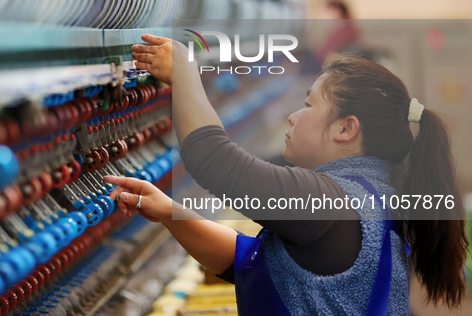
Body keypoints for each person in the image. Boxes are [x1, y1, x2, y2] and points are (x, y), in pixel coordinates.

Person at [104, 35, 468, 315]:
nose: (294, 116)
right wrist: (170, 213)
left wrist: (184, 72)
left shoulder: (327, 201)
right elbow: (248, 261)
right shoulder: (371, 198)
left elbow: (211, 158)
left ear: (346, 128)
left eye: (308, 104)